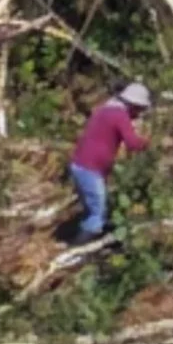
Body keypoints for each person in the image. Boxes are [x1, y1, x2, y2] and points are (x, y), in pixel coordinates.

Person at [66, 83, 153, 243]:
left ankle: (80, 240)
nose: (139, 114)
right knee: (97, 215)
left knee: (92, 210)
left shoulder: (106, 110)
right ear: (133, 105)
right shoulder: (119, 115)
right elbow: (132, 143)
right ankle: (79, 250)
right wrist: (148, 142)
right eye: (139, 109)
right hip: (89, 168)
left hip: (82, 166)